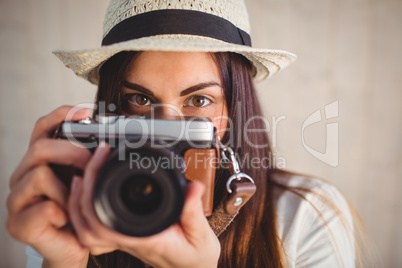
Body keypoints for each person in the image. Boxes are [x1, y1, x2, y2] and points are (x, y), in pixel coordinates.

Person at [6, 0, 360, 267]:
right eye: (140, 99)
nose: (165, 132)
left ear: (233, 110)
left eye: (199, 100)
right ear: (109, 111)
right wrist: (63, 262)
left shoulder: (306, 214)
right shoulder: (71, 213)